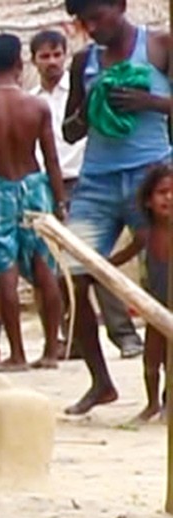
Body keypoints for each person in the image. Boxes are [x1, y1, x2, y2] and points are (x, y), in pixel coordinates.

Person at [60, 0, 173, 413]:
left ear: (120, 7)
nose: (91, 28)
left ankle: (167, 389)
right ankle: (100, 382)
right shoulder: (84, 62)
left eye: (97, 18)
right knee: (72, 278)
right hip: (97, 183)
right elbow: (69, 131)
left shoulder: (160, 46)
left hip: (155, 178)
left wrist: (150, 104)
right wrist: (90, 110)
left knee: (164, 283)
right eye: (83, 22)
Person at [35, 26, 146, 360]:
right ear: (34, 61)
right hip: (53, 185)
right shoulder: (33, 101)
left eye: (57, 54)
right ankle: (77, 341)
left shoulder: (84, 84)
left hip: (92, 180)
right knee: (70, 270)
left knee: (99, 265)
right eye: (45, 56)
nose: (53, 62)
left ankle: (124, 335)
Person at [0, 32, 69, 369]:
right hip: (35, 186)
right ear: (21, 66)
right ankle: (51, 352)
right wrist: (60, 202)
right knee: (45, 266)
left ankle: (18, 354)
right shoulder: (36, 106)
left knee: (5, 271)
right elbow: (51, 159)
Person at [108, 162, 173, 421]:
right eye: (162, 192)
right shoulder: (145, 235)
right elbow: (123, 256)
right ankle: (151, 403)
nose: (169, 197)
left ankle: (169, 403)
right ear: (148, 201)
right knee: (151, 359)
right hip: (154, 306)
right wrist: (100, 266)